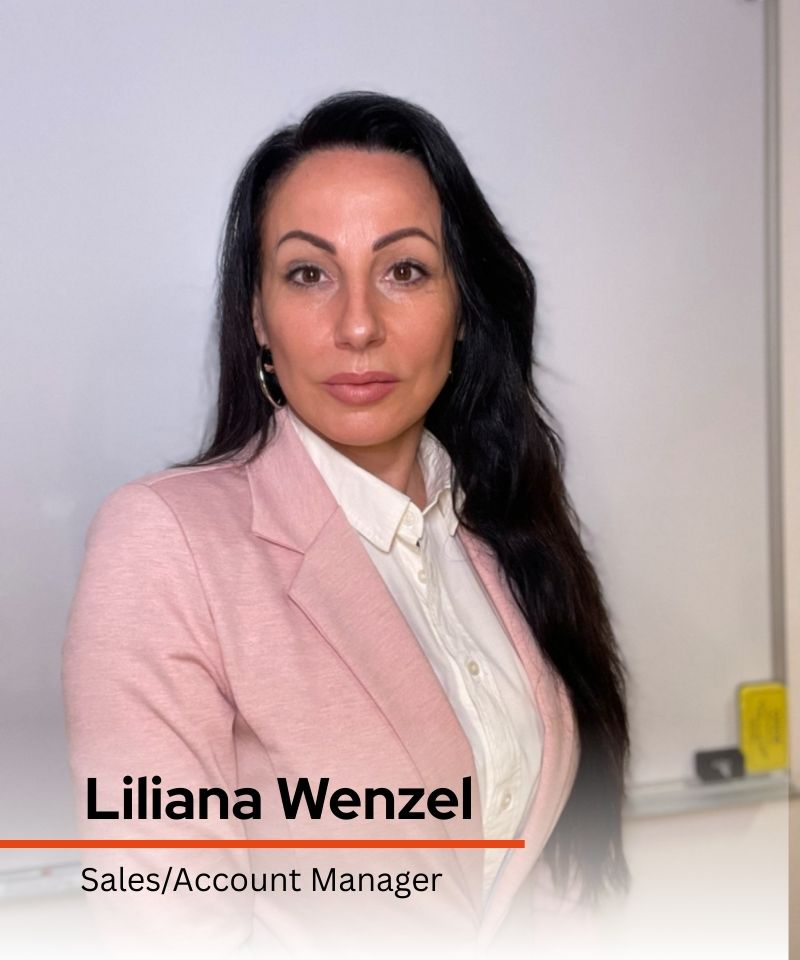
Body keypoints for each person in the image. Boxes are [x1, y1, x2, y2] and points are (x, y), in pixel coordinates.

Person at [62, 90, 629, 959]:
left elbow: (546, 883)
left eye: (404, 271)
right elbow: (166, 927)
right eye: (308, 274)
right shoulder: (165, 543)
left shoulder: (502, 535)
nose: (358, 325)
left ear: (463, 309)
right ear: (258, 315)